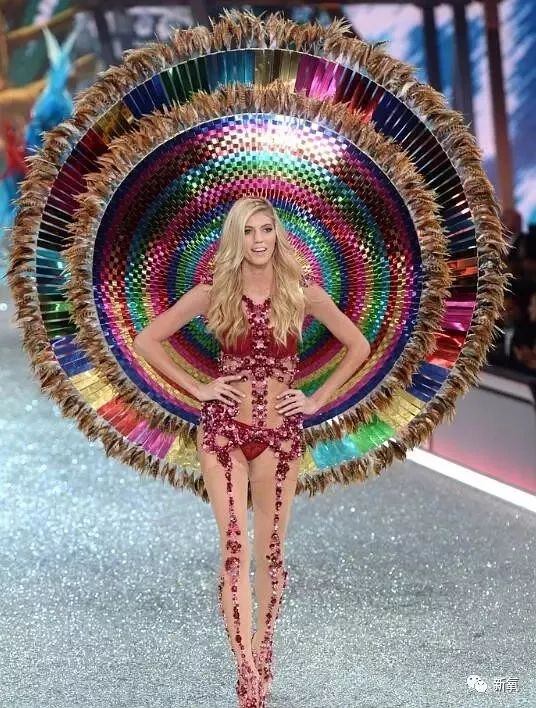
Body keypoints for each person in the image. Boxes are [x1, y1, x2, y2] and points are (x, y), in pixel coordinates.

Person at [132, 196, 371, 707]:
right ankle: (245, 668)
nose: (259, 240)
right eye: (248, 231)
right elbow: (147, 340)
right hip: (223, 432)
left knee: (272, 551)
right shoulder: (213, 291)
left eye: (266, 229)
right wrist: (197, 389)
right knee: (235, 548)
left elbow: (359, 346)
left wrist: (317, 399)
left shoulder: (302, 292)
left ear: (277, 234)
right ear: (235, 238)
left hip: (282, 437)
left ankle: (264, 649)